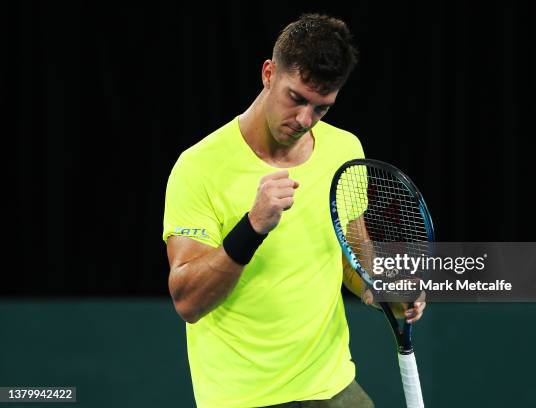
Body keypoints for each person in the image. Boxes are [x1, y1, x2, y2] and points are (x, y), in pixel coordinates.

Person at [162, 13, 426, 407]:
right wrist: (251, 228)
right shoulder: (197, 167)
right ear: (269, 73)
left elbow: (352, 262)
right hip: (243, 399)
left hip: (334, 387)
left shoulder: (345, 151)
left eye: (322, 108)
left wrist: (385, 289)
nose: (305, 120)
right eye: (297, 98)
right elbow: (188, 302)